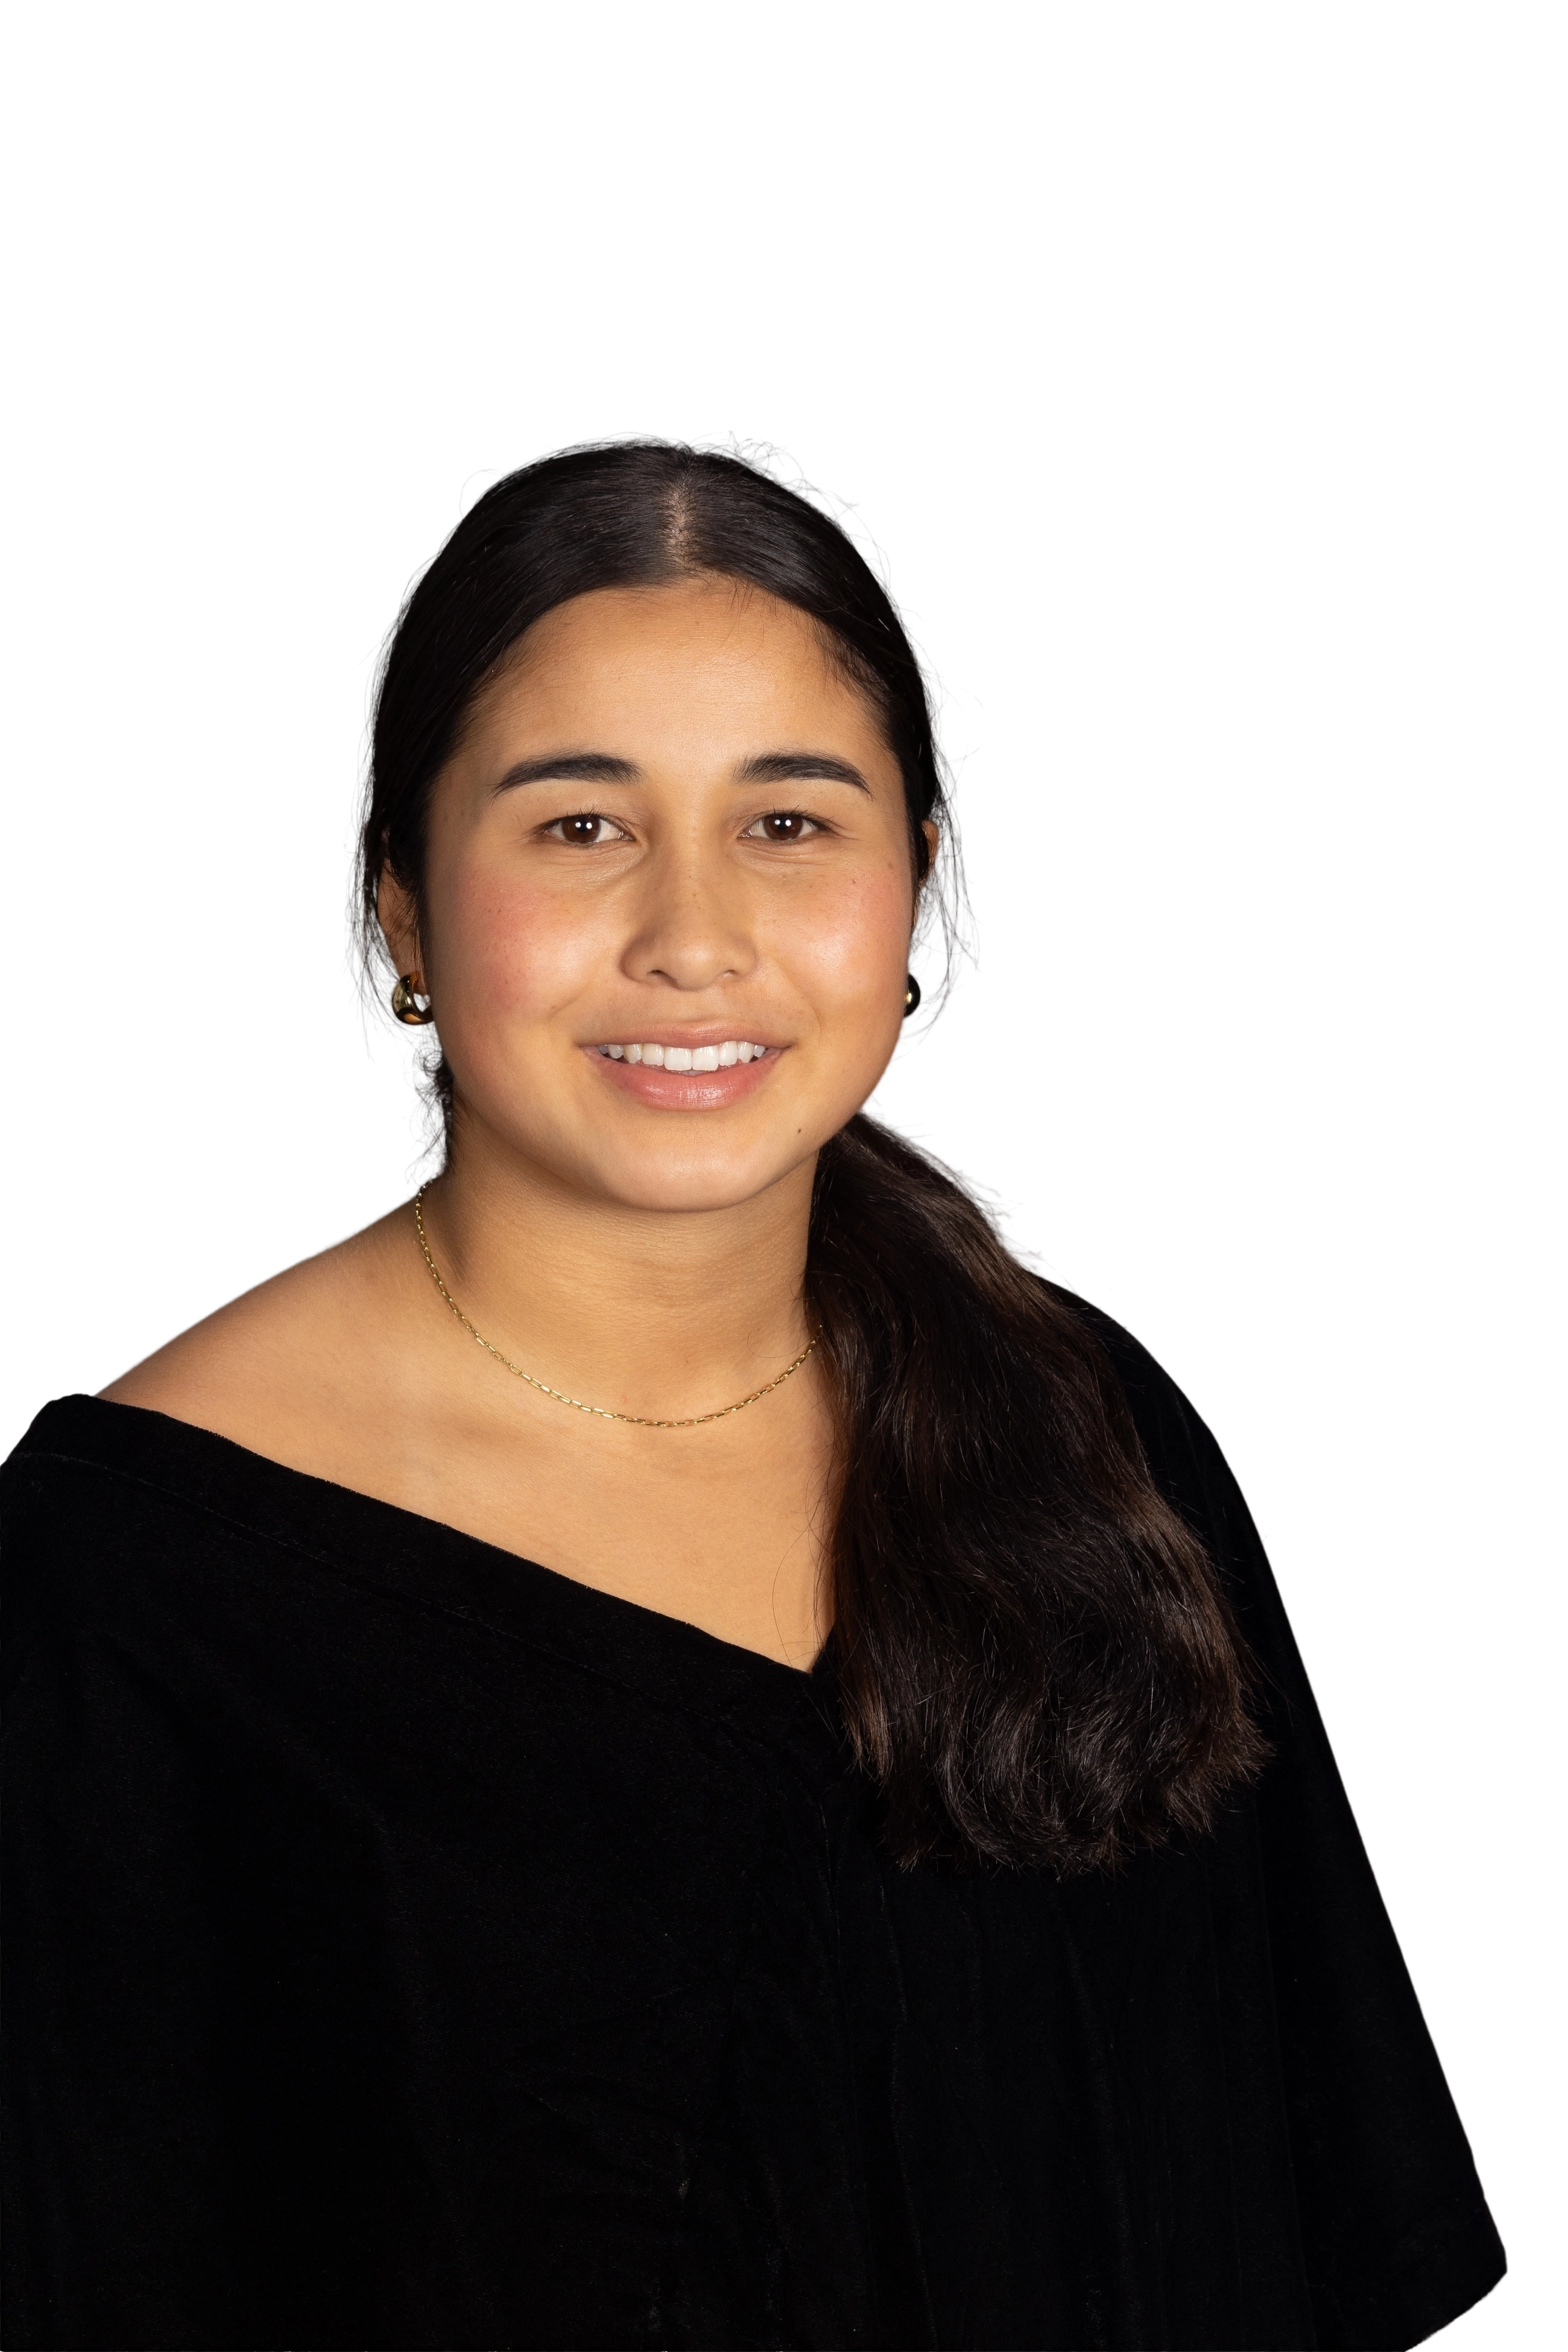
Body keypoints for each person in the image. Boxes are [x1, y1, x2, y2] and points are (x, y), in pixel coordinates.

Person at [1, 431, 1505, 2350]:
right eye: (579, 825)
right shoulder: (126, 1599)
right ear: (402, 904)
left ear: (918, 881)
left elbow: (1313, 2234)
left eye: (790, 820)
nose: (694, 938)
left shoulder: (1084, 1422)